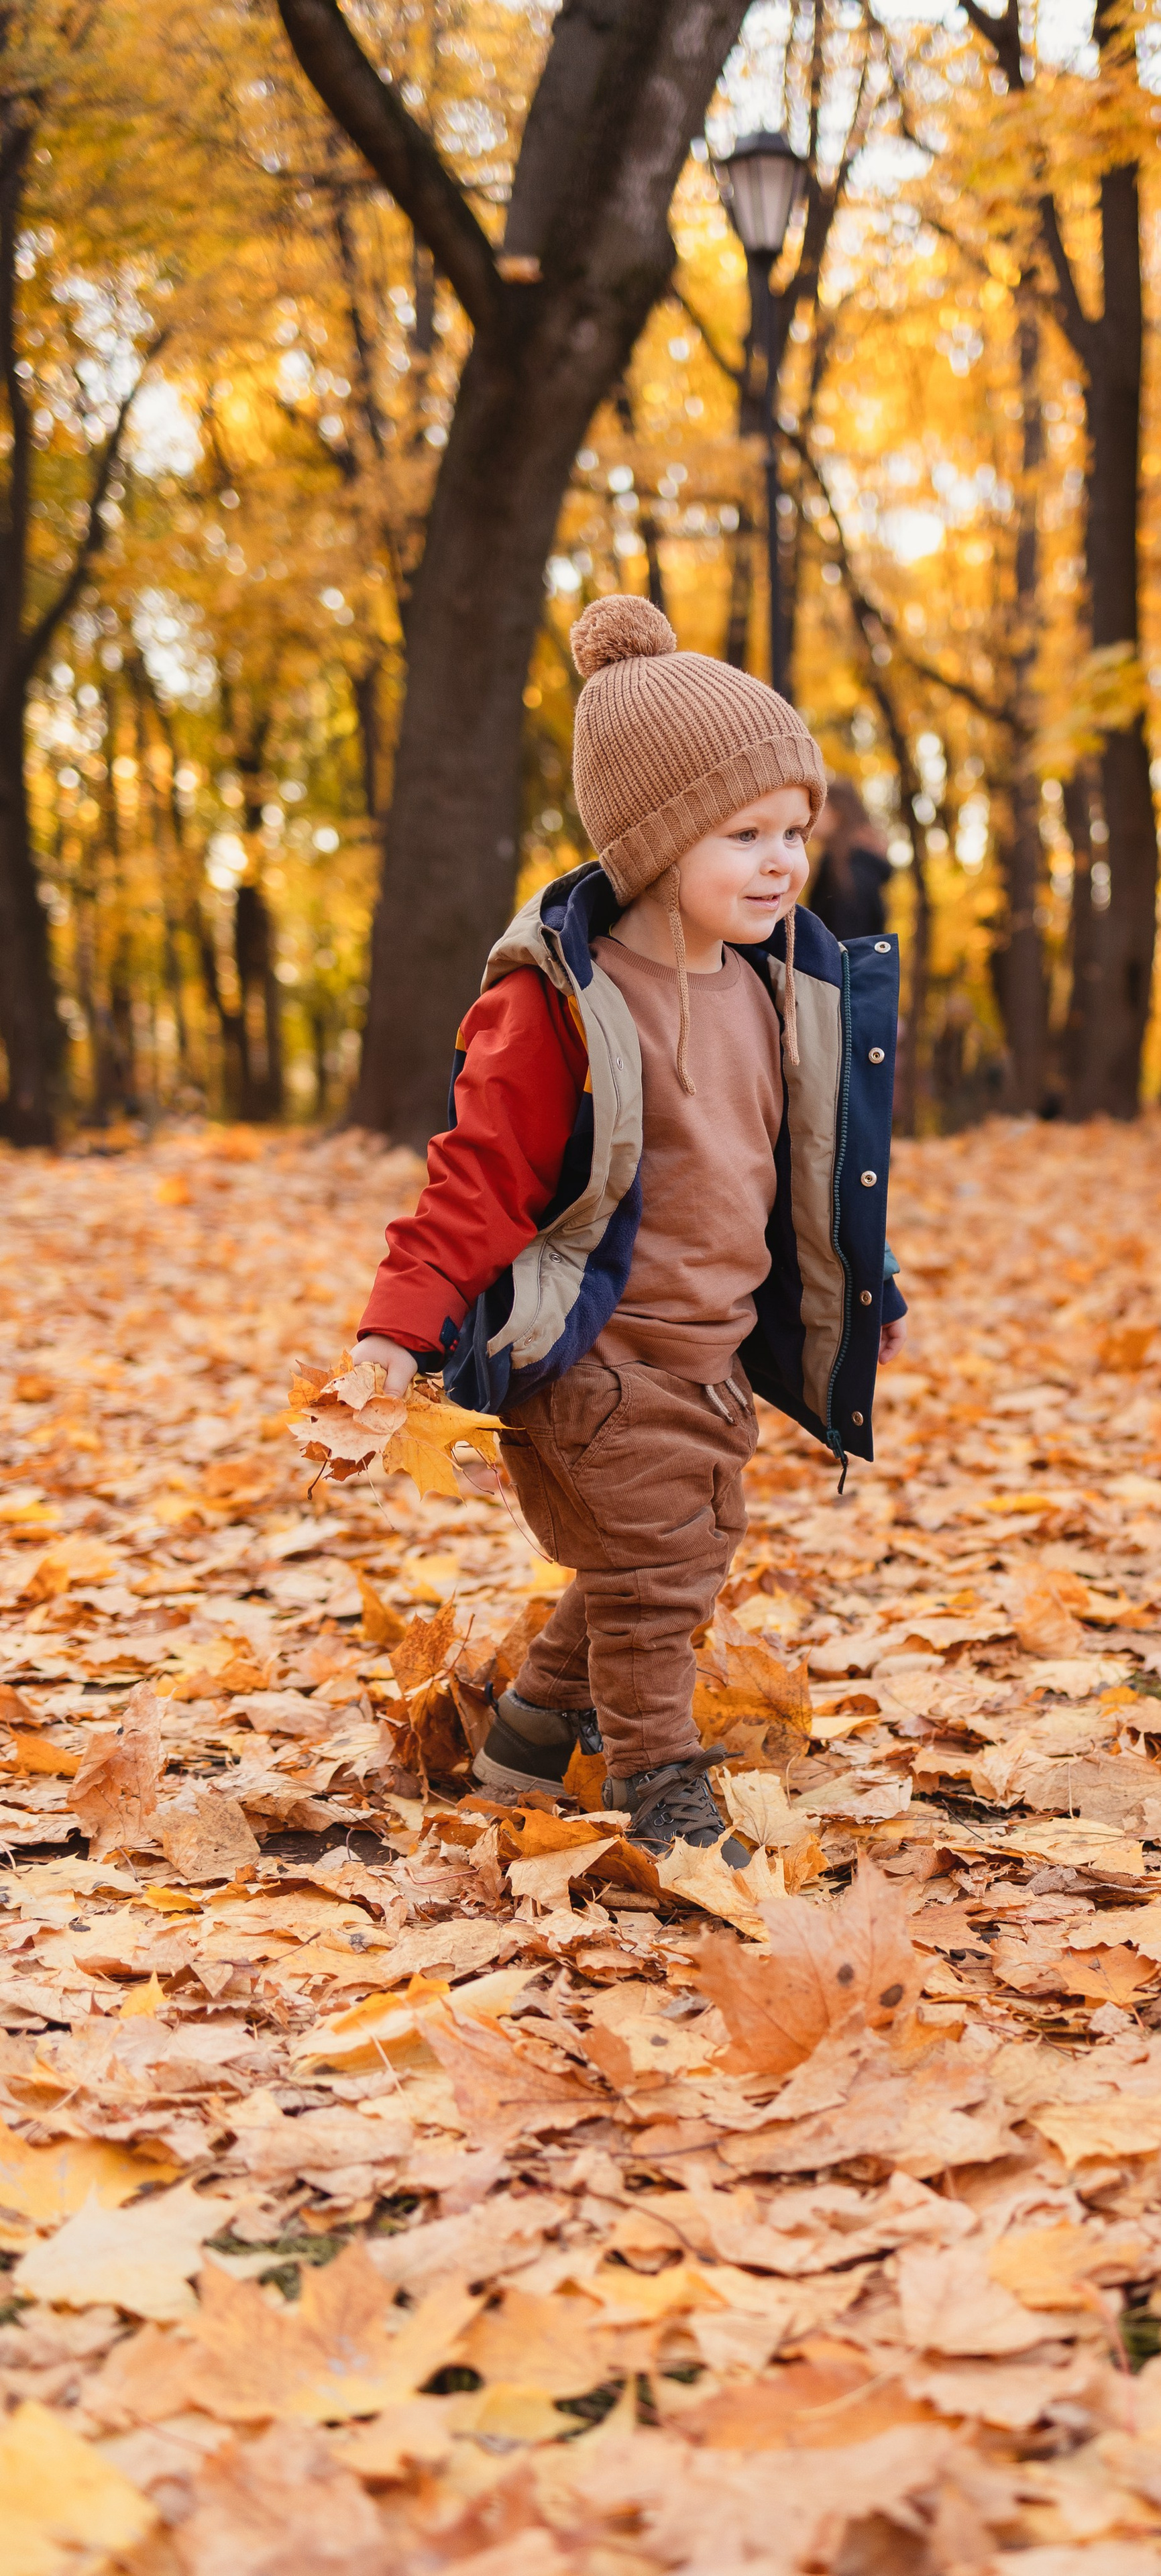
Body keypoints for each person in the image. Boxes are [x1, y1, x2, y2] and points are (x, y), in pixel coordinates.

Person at [349, 596, 907, 1860]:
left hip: (708, 1360)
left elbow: (802, 1172)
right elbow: (474, 1177)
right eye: (744, 834)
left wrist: (870, 1294)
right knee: (659, 1581)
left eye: (794, 831)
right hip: (591, 1355)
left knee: (649, 1564)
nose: (782, 863)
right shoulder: (559, 1002)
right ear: (654, 842)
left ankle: (521, 1753)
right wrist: (397, 1334)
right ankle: (665, 1797)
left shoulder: (778, 984)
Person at [806, 775, 893, 943]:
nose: (810, 814)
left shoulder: (849, 871)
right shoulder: (844, 865)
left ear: (838, 814)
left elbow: (844, 943)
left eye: (818, 807)